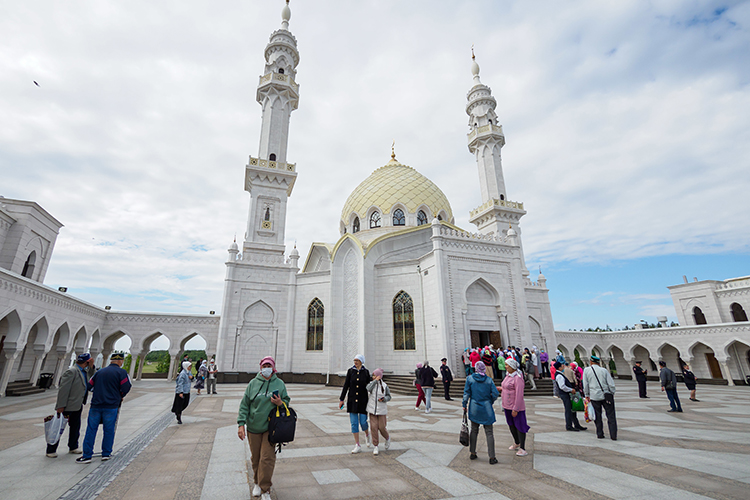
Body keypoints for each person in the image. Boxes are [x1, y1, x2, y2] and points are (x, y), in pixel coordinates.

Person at [237, 356, 289, 500]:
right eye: (264, 365)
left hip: (271, 428)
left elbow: (287, 403)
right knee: (256, 458)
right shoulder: (253, 384)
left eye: (269, 365)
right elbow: (244, 405)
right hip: (253, 427)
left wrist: (279, 402)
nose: (266, 368)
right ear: (260, 367)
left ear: (273, 367)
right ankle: (257, 483)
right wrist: (241, 424)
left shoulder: (279, 383)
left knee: (267, 458)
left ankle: (265, 489)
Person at [76, 353, 132, 463]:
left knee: (91, 429)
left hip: (96, 405)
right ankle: (106, 453)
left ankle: (87, 455)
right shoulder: (121, 372)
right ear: (120, 361)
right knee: (109, 429)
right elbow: (126, 387)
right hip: (111, 406)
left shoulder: (99, 372)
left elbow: (89, 385)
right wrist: (120, 395)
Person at [46, 353, 94, 458]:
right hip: (67, 406)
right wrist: (60, 406)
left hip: (77, 405)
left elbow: (91, 378)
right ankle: (51, 449)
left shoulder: (83, 371)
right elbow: (64, 390)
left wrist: (91, 366)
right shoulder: (71, 371)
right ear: (86, 362)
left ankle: (73, 447)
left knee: (75, 427)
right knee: (58, 427)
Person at [462, 361, 499, 464]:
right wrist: (490, 400)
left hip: (474, 407)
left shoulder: (470, 379)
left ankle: (472, 452)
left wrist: (464, 404)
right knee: (489, 432)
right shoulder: (488, 380)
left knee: (474, 430)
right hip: (486, 407)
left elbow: (466, 393)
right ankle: (492, 457)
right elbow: (495, 393)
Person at [339, 354, 372, 453]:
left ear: (361, 361)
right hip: (352, 400)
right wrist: (342, 399)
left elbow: (369, 386)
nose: (355, 362)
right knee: (354, 423)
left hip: (363, 400)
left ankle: (367, 434)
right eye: (354, 360)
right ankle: (357, 444)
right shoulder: (350, 371)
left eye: (357, 360)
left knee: (363, 422)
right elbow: (346, 385)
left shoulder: (365, 372)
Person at [499, 359, 530, 457]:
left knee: (519, 426)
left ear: (512, 366)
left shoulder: (518, 378)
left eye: (507, 365)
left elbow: (519, 394)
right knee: (511, 425)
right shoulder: (508, 376)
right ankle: (517, 442)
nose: (506, 367)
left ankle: (523, 448)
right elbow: (506, 387)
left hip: (516, 407)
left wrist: (516, 408)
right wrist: (500, 389)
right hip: (507, 406)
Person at [582, 356, 617, 440]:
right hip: (606, 395)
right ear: (599, 362)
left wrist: (587, 394)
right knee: (611, 415)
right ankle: (613, 435)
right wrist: (611, 393)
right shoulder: (604, 370)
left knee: (597, 415)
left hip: (594, 396)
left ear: (591, 362)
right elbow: (611, 384)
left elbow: (585, 384)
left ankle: (600, 433)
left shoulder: (586, 370)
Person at [554, 361, 587, 432]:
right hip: (565, 394)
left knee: (572, 410)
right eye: (562, 366)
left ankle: (576, 424)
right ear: (559, 367)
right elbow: (562, 386)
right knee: (568, 410)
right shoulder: (559, 376)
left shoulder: (560, 374)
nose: (563, 367)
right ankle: (569, 425)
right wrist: (570, 389)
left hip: (566, 394)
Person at [366, 368, 392, 455]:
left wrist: (384, 399)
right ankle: (375, 445)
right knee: (373, 427)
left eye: (375, 375)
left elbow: (389, 396)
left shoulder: (384, 386)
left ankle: (387, 438)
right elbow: (368, 388)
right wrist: (374, 381)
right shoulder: (371, 384)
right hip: (372, 409)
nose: (373, 377)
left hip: (381, 410)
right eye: (373, 375)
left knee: (382, 427)